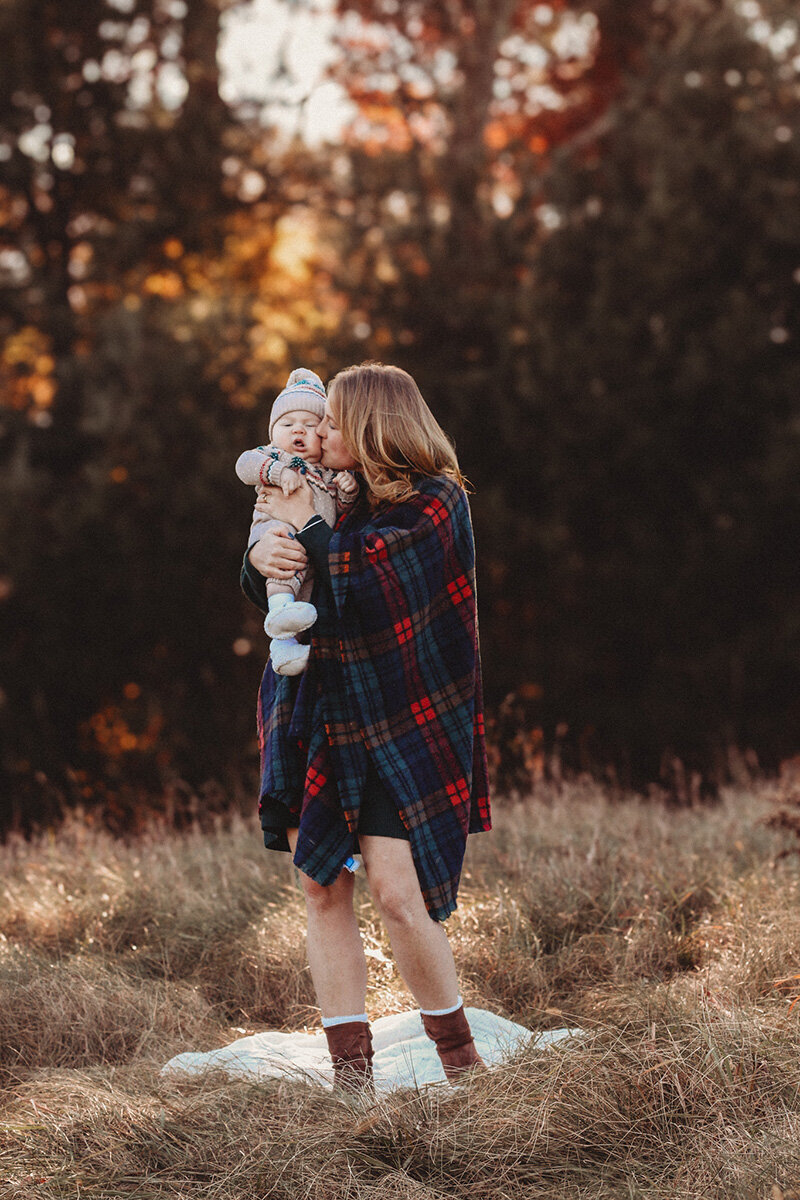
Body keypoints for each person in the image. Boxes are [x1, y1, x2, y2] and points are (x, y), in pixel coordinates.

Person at [241, 362, 491, 1091]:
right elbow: (275, 559)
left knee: (395, 892)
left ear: (375, 427)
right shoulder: (329, 489)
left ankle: (462, 1065)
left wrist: (306, 528)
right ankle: (351, 1082)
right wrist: (261, 555)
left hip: (403, 718)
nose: (320, 435)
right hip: (314, 710)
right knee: (322, 888)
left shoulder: (436, 500)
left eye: (334, 423)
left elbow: (366, 573)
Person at [235, 368, 358, 676]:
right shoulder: (276, 457)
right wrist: (278, 473)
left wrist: (346, 494)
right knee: (284, 561)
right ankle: (282, 628)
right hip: (275, 532)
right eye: (287, 424)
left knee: (301, 589)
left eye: (311, 425)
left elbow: (341, 520)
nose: (299, 432)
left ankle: (287, 646)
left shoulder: (330, 472)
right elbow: (245, 464)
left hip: (312, 564)